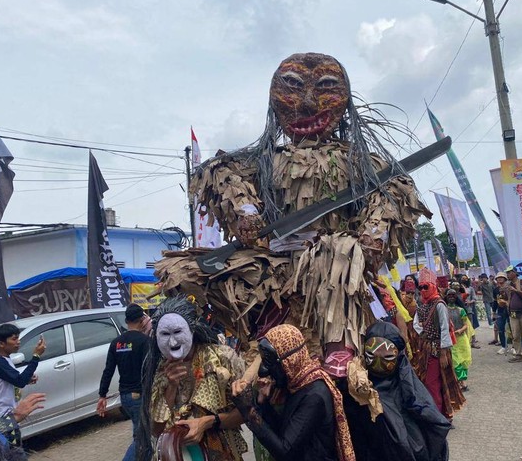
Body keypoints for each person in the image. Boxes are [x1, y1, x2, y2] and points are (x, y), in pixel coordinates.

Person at [154, 52, 430, 366]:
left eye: (325, 86)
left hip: (333, 261)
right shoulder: (265, 160)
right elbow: (220, 172)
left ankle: (337, 345)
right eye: (293, 86)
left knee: (337, 250)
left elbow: (396, 188)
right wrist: (245, 210)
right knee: (179, 271)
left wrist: (375, 232)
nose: (309, 103)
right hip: (274, 260)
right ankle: (203, 348)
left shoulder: (358, 161)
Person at [137, 295, 247, 461]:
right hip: (178, 453)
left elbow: (246, 412)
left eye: (177, 332)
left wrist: (208, 422)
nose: (172, 341)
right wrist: (171, 386)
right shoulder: (160, 370)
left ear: (192, 330)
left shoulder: (222, 359)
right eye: (165, 334)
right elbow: (157, 430)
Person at [231, 324, 355, 461]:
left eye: (271, 364)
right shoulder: (298, 385)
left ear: (289, 361)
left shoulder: (314, 396)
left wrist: (249, 412)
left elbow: (285, 451)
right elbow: (284, 432)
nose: (265, 371)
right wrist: (262, 402)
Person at [342, 321, 450, 461]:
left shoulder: (409, 391)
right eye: (372, 355)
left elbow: (430, 425)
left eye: (387, 357)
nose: (378, 362)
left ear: (398, 356)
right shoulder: (356, 389)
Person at [97, 304, 150, 461]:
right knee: (142, 438)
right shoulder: (145, 341)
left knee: (144, 436)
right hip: (140, 395)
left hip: (125, 397)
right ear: (141, 320)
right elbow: (149, 370)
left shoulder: (116, 343)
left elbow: (108, 370)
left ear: (127, 321)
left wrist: (102, 395)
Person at [413, 268, 465, 420]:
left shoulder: (439, 304)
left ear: (433, 286)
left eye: (425, 287)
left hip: (438, 349)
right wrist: (424, 334)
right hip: (426, 349)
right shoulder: (422, 305)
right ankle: (439, 413)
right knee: (429, 382)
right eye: (420, 287)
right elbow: (416, 324)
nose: (423, 290)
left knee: (435, 383)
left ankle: (440, 415)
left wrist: (443, 353)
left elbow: (444, 328)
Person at [0, 323, 46, 420]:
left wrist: (28, 379)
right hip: (2, 416)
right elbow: (20, 381)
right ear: (1, 344)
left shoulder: (5, 359)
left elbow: (15, 380)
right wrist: (36, 356)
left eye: (18, 338)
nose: (18, 342)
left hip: (10, 413)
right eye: (14, 339)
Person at [444, 290, 472, 391]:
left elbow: (466, 324)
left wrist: (459, 330)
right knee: (455, 361)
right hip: (451, 339)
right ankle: (461, 382)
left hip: (461, 338)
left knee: (464, 360)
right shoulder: (444, 310)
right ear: (446, 297)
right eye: (449, 295)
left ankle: (462, 381)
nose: (451, 297)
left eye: (453, 295)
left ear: (456, 297)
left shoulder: (461, 310)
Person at [493, 272, 510, 355]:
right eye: (498, 278)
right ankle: (503, 346)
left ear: (505, 279)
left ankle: (515, 347)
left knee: (513, 329)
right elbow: (495, 301)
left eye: (501, 277)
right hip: (500, 311)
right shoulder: (495, 290)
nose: (499, 279)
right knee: (500, 329)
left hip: (510, 310)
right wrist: (493, 312)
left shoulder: (509, 288)